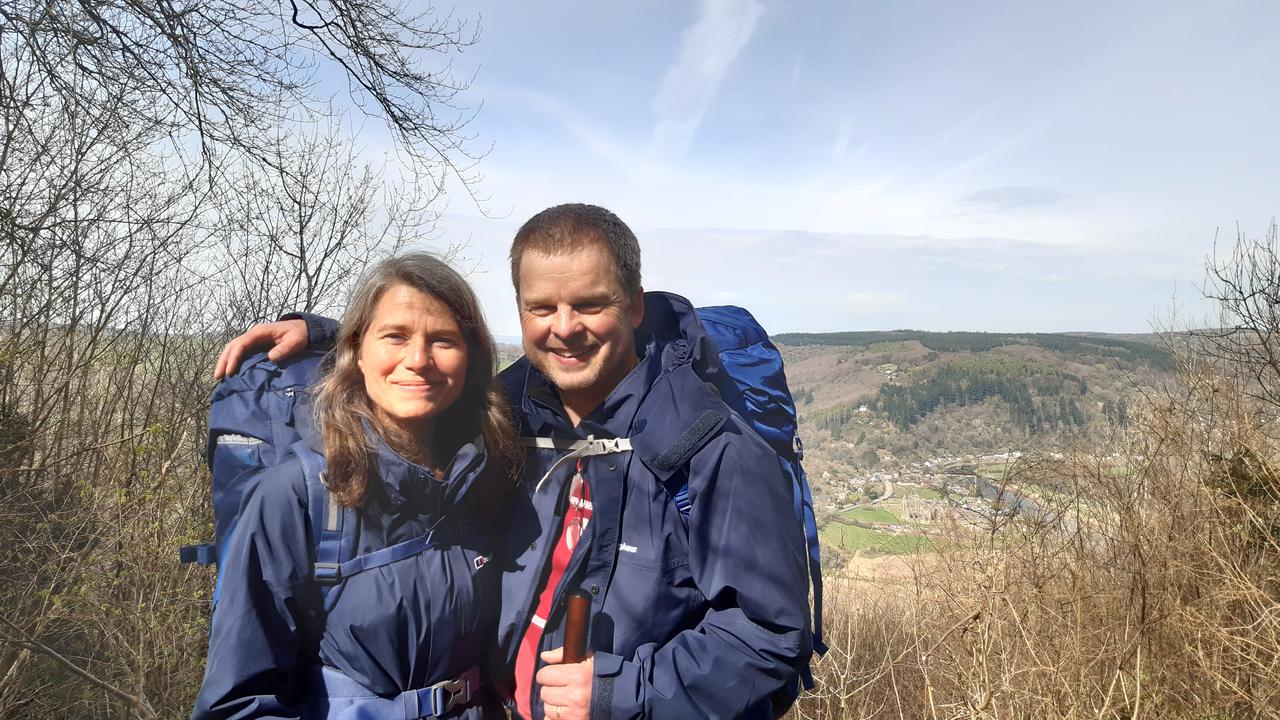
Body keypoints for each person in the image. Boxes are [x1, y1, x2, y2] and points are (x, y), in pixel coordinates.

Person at [217, 204, 813, 719]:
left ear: (633, 308)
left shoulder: (710, 448)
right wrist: (322, 334)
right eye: (541, 308)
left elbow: (771, 635)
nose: (565, 329)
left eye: (589, 304)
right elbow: (421, 372)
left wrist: (618, 695)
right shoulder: (505, 420)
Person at [194, 253, 521, 719]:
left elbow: (588, 351)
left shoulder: (487, 477)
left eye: (443, 340)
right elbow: (238, 704)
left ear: (472, 357)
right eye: (395, 336)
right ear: (358, 353)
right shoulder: (299, 494)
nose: (419, 360)